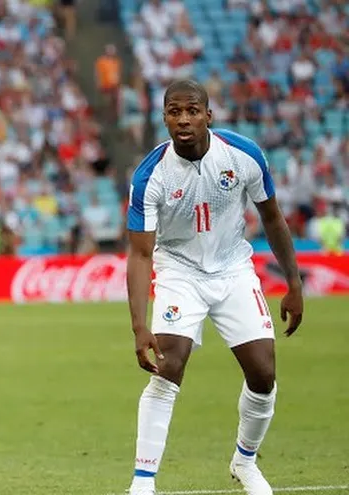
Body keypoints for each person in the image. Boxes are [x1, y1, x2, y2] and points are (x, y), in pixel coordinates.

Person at [124, 80, 304, 495]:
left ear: (209, 114)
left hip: (232, 270)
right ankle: (142, 482)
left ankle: (244, 461)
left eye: (191, 110)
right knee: (169, 367)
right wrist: (138, 325)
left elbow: (273, 218)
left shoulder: (243, 155)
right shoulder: (150, 175)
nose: (183, 119)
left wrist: (293, 282)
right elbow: (139, 255)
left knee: (263, 373)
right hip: (179, 272)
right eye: (174, 111)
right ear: (164, 117)